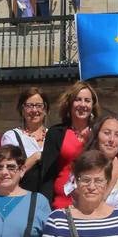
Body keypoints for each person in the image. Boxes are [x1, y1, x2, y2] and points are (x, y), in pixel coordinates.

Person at [22, 80, 99, 210]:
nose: (82, 104)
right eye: (78, 99)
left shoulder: (98, 133)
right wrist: (44, 207)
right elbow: (47, 174)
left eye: (87, 100)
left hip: (93, 203)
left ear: (92, 105)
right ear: (69, 104)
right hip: (61, 204)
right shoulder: (56, 133)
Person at [1, 85, 49, 182]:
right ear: (22, 110)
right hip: (24, 195)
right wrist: (35, 157)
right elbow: (10, 173)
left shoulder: (53, 135)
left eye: (39, 105)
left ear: (45, 109)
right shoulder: (11, 137)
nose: (34, 110)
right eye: (29, 106)